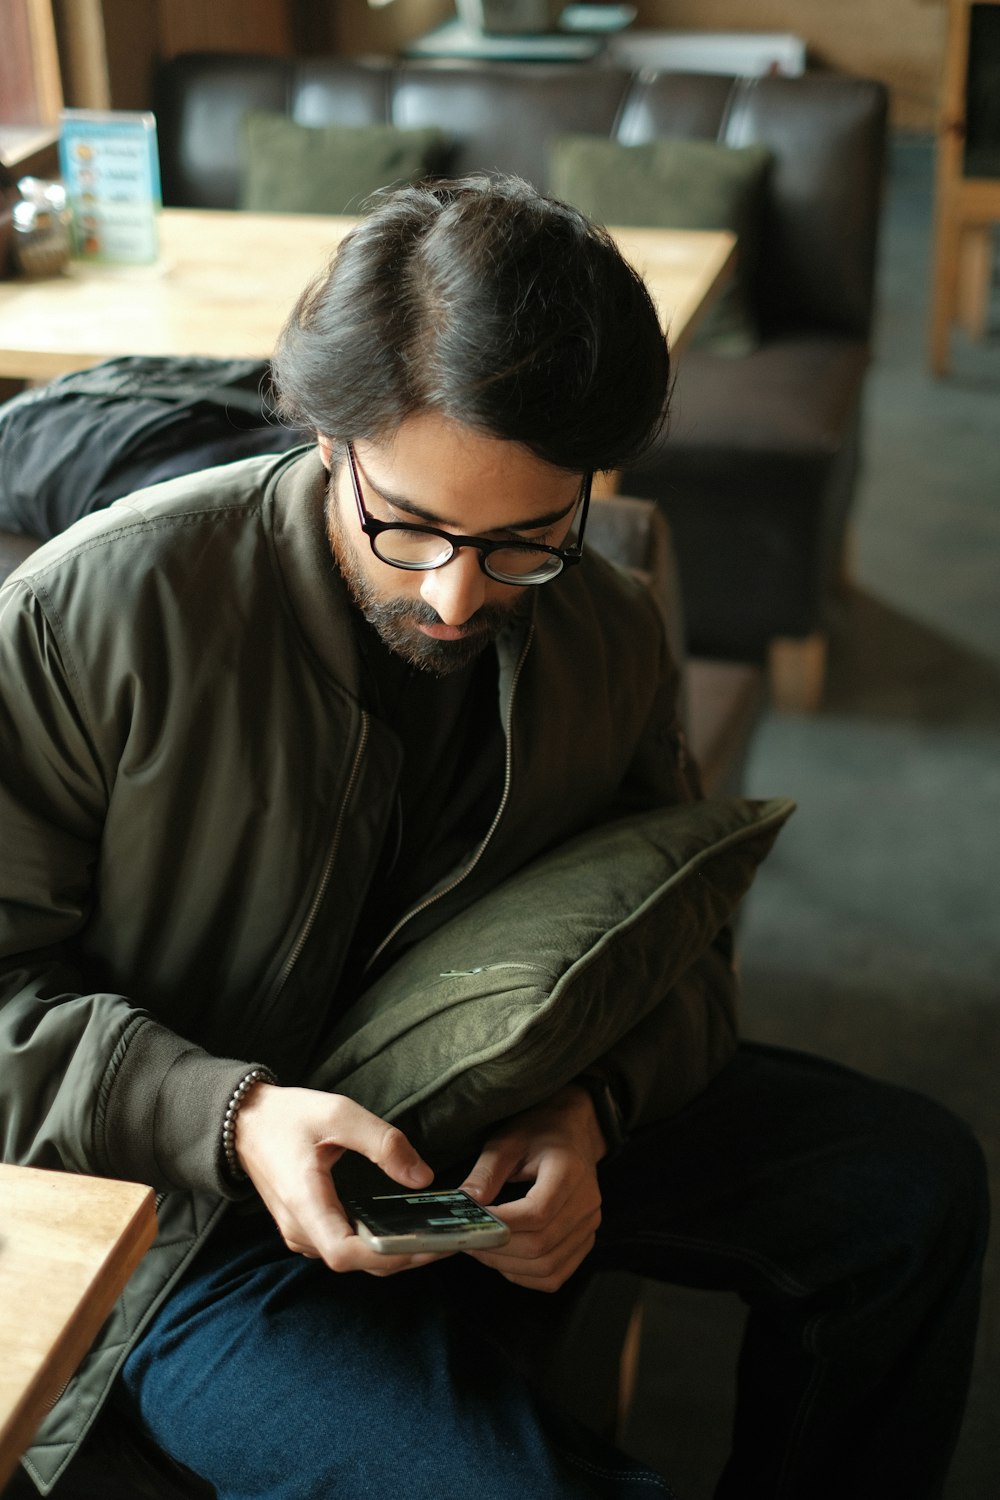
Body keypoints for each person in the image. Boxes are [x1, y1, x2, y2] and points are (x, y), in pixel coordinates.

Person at [0, 176, 987, 1500]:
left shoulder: (608, 626)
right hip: (193, 1212)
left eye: (526, 539)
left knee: (910, 1186)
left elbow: (683, 951)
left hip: (479, 1113)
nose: (457, 597)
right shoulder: (101, 613)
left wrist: (592, 1108)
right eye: (405, 528)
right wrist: (230, 1117)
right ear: (325, 436)